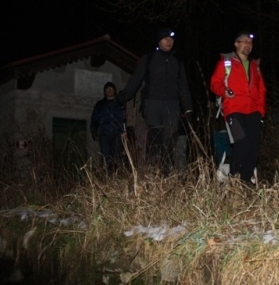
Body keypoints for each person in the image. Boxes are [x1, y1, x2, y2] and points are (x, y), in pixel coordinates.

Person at [117, 28, 194, 175]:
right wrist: (125, 95)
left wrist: (188, 108)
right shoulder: (149, 59)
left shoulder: (177, 62)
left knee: (170, 139)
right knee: (155, 136)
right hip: (153, 104)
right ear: (159, 41)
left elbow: (183, 86)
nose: (169, 41)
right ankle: (153, 169)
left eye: (171, 39)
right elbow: (136, 79)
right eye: (166, 38)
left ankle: (166, 171)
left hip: (172, 105)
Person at [209, 31, 266, 185]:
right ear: (236, 44)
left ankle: (245, 181)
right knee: (242, 142)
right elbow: (215, 83)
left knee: (253, 147)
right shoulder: (226, 62)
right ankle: (234, 177)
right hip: (233, 109)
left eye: (250, 43)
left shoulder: (254, 65)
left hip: (253, 111)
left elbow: (261, 90)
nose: (248, 45)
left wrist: (260, 111)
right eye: (244, 42)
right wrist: (224, 91)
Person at [91, 82, 127, 170]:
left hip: (117, 134)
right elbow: (94, 119)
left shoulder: (120, 104)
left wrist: (124, 131)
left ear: (114, 90)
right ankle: (107, 174)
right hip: (104, 134)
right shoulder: (100, 105)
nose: (109, 90)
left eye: (111, 88)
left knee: (117, 157)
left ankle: (116, 174)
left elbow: (123, 119)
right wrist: (94, 132)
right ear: (104, 91)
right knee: (106, 157)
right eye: (107, 89)